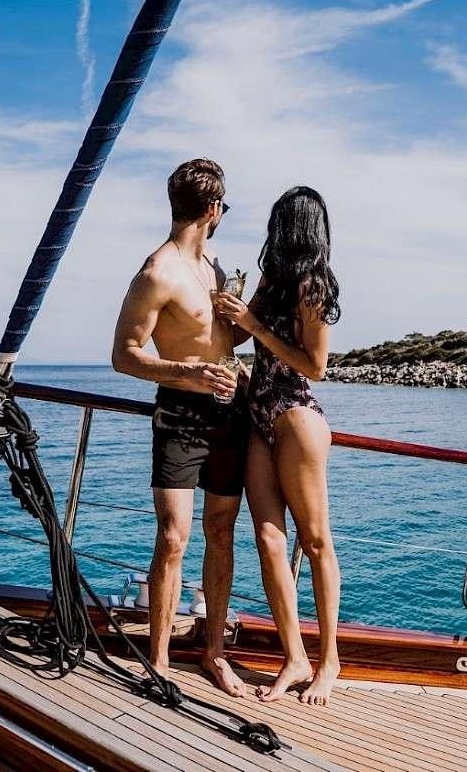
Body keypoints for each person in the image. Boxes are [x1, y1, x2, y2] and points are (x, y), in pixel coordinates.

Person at [111, 158, 248, 697]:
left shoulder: (214, 268)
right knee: (173, 538)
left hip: (230, 414)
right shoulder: (156, 273)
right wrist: (187, 371)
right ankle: (160, 659)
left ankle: (214, 653)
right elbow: (124, 356)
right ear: (214, 210)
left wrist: (241, 325)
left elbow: (220, 342)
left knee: (220, 533)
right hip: (180, 415)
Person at [213, 185, 342, 705]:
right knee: (268, 539)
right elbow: (246, 337)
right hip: (258, 413)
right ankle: (294, 656)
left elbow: (315, 366)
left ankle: (330, 660)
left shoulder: (314, 286)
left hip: (295, 416)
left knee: (314, 543)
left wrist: (255, 325)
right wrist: (230, 313)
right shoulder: (271, 279)